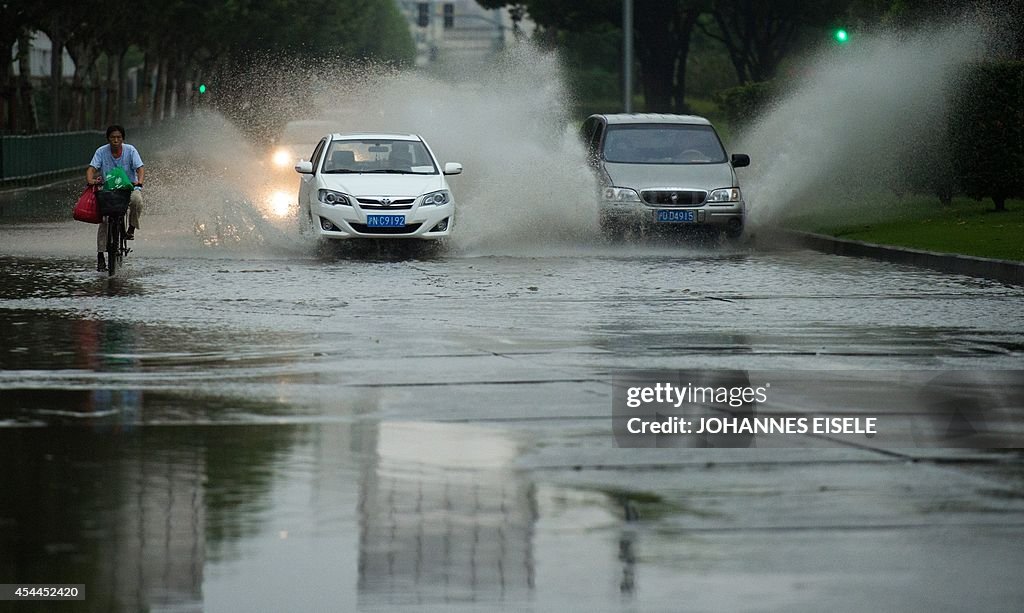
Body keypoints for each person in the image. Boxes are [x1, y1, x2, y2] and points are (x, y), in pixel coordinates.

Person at [87, 125, 144, 271]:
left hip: (129, 188)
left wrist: (140, 181)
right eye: (113, 137)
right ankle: (100, 255)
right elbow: (92, 169)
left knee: (137, 201)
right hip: (109, 190)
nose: (116, 140)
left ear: (123, 138)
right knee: (105, 220)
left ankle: (131, 228)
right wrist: (91, 180)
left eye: (118, 137)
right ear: (108, 139)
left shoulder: (131, 150)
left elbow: (140, 168)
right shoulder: (101, 151)